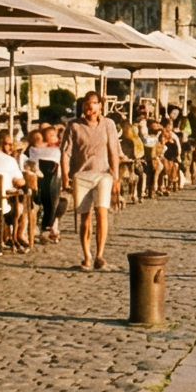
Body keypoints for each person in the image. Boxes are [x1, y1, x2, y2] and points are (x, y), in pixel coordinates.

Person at [66, 93, 123, 272]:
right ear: (83, 106)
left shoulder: (108, 124)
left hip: (103, 174)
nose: (91, 108)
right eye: (87, 104)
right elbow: (65, 152)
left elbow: (113, 151)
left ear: (100, 106)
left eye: (95, 104)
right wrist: (65, 174)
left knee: (102, 213)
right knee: (85, 218)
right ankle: (87, 256)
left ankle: (100, 254)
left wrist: (116, 177)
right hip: (82, 175)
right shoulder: (74, 126)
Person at [23, 123, 65, 241]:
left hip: (51, 182)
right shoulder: (34, 150)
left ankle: (51, 225)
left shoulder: (58, 148)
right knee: (57, 199)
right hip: (39, 184)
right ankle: (49, 226)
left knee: (61, 201)